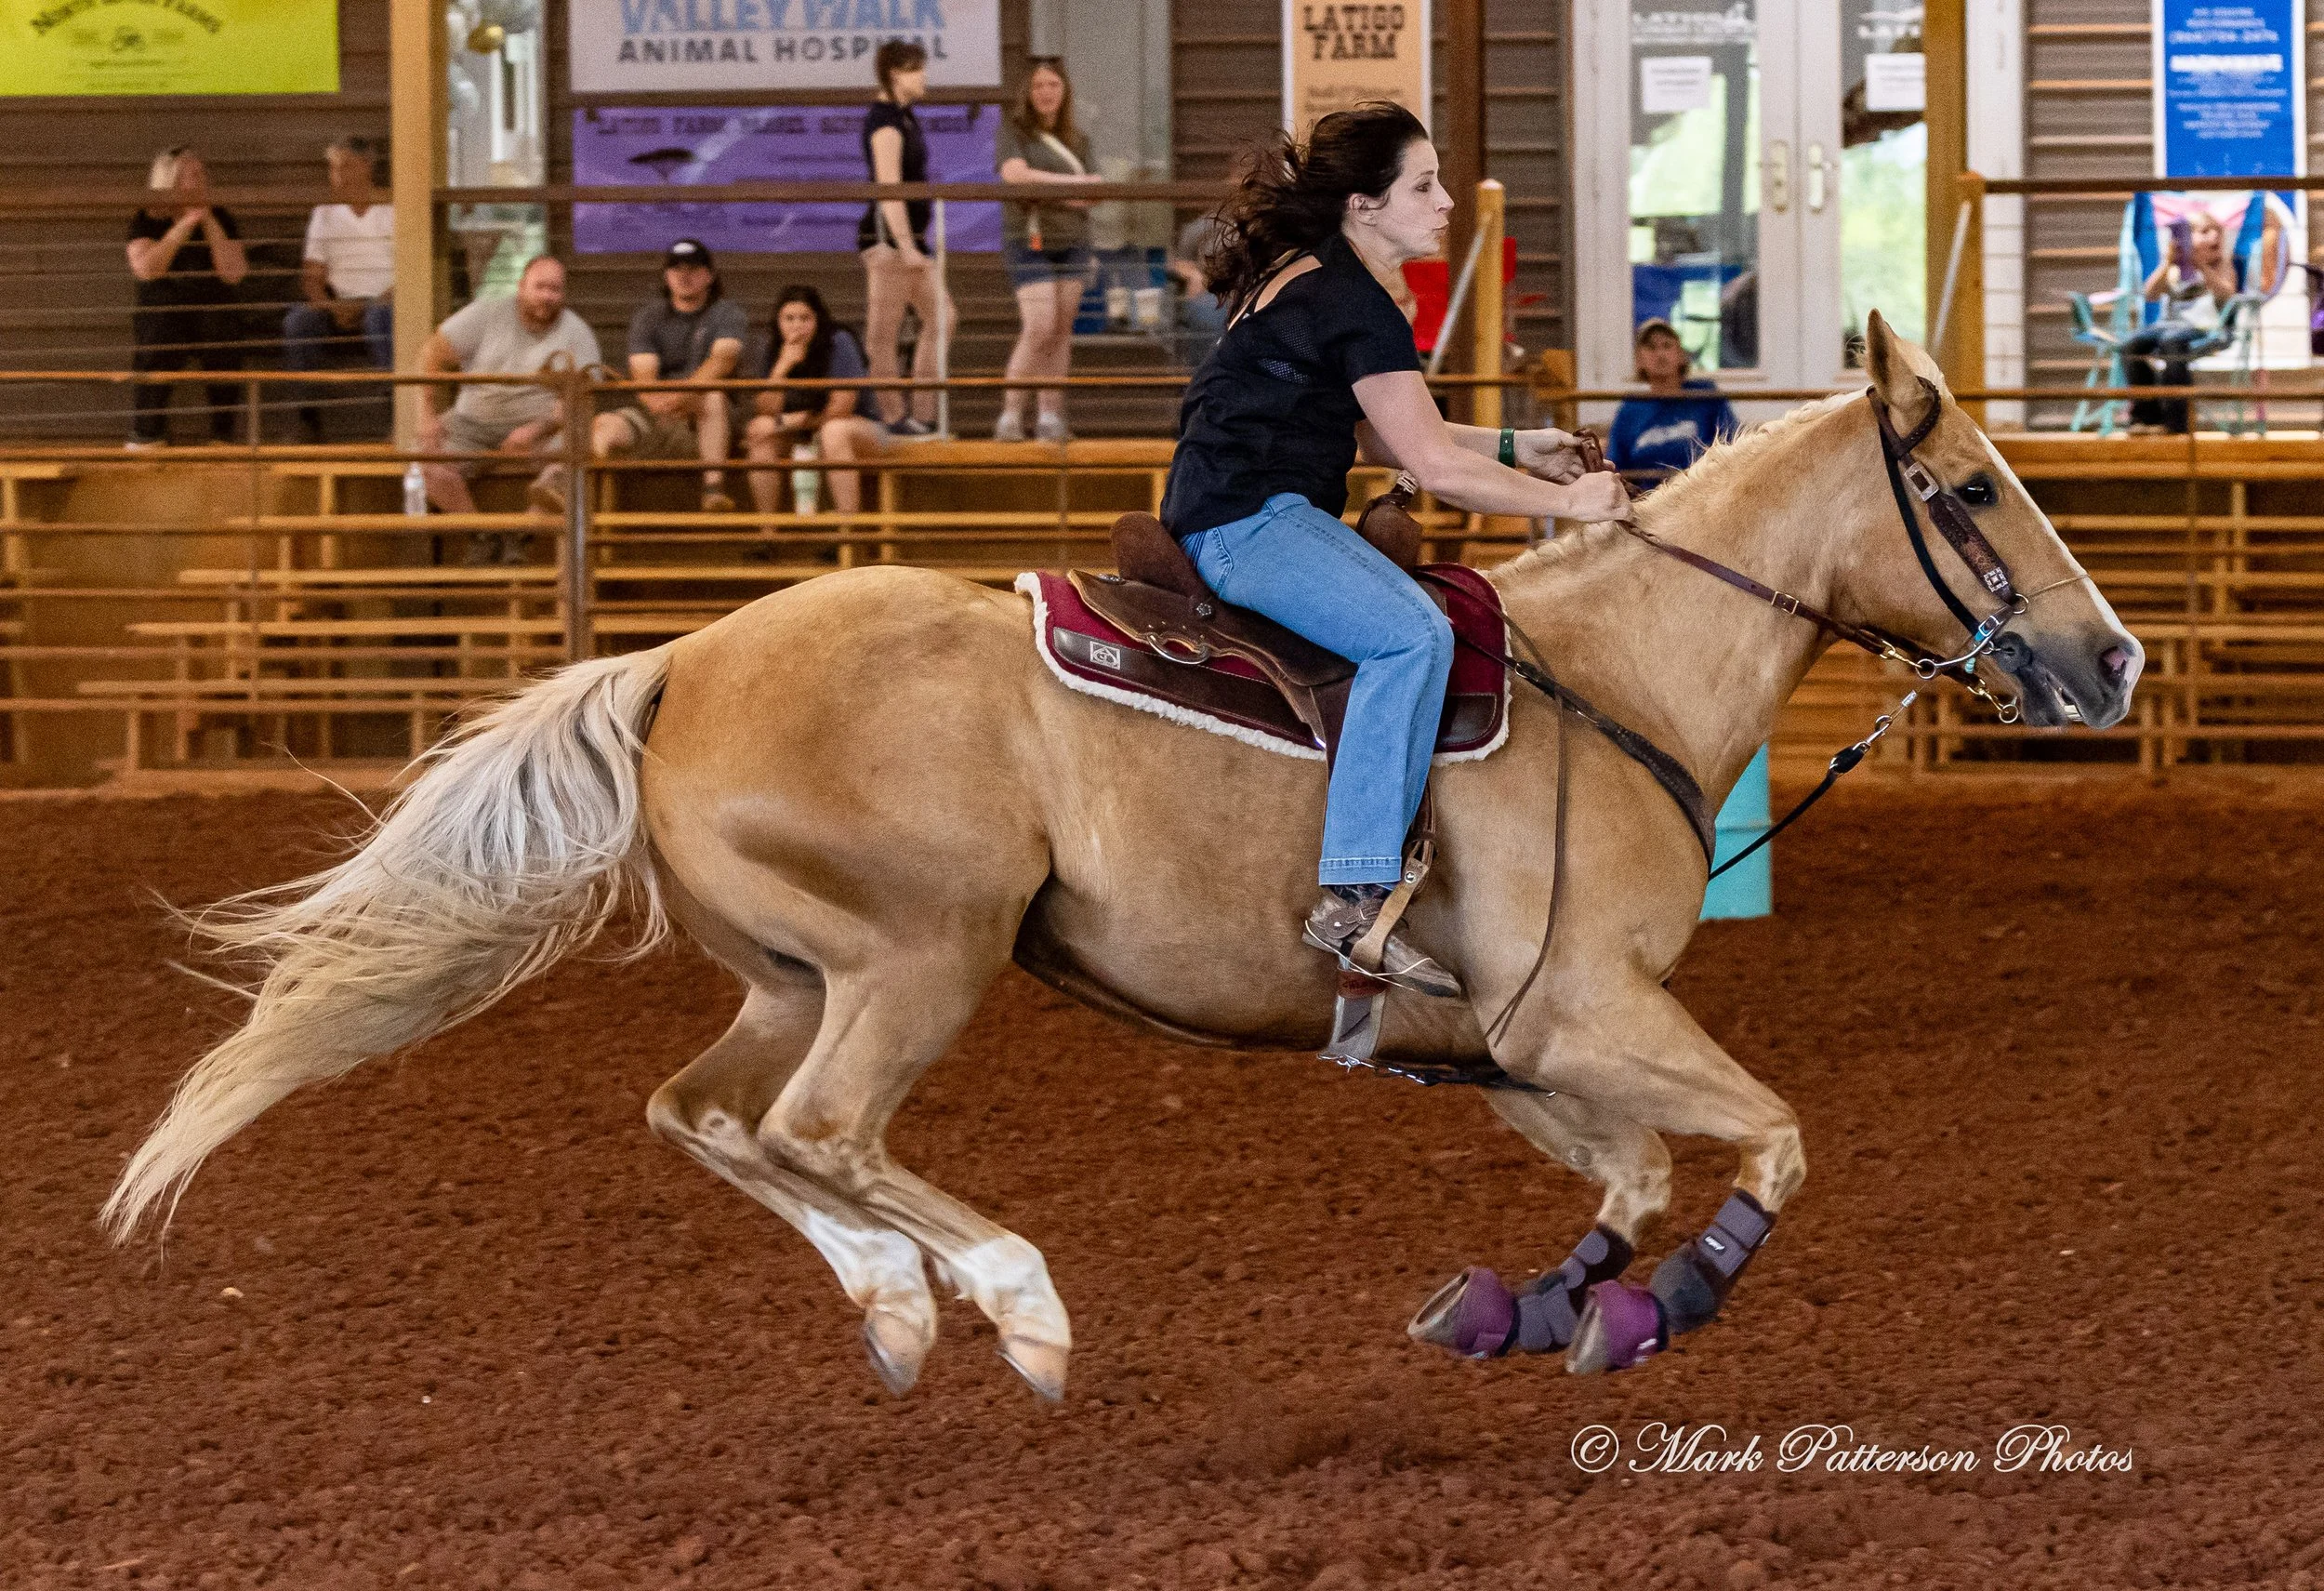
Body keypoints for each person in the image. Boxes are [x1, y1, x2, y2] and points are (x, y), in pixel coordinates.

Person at [1160, 102, 1631, 988]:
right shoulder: (1351, 301)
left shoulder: (1317, 277)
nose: (1446, 201)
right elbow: (1426, 465)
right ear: (1364, 205)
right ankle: (1354, 894)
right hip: (1248, 524)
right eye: (1424, 185)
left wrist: (1513, 445)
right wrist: (1580, 504)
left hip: (1235, 511)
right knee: (1413, 634)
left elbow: (1381, 428)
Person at [413, 256, 602, 563]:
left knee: (576, 461)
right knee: (422, 465)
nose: (547, 297)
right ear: (521, 287)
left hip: (542, 432)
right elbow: (432, 352)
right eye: (540, 287)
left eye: (555, 289)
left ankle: (520, 535)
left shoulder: (576, 332)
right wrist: (426, 413)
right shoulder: (487, 313)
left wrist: (536, 429)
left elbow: (582, 397)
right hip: (471, 423)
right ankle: (482, 534)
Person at [585, 238, 746, 513]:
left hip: (706, 421)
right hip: (656, 414)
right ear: (666, 275)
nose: (684, 275)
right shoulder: (649, 316)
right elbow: (642, 374)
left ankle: (713, 491)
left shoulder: (727, 313)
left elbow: (722, 360)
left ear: (709, 275)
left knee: (713, 396)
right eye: (676, 268)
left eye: (693, 268)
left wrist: (679, 397)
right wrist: (659, 402)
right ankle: (586, 511)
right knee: (603, 425)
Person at [993, 57, 1103, 442]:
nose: (1046, 93)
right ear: (1028, 92)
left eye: (1053, 85)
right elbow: (1014, 176)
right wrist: (1066, 186)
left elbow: (1094, 192)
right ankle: (1010, 416)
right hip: (1028, 241)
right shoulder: (1014, 132)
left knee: (1060, 330)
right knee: (1038, 327)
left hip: (1073, 242)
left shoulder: (1079, 139)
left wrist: (1044, 192)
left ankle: (1050, 417)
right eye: (1038, 86)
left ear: (1064, 90)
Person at [858, 40, 952, 436]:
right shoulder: (885, 122)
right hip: (888, 239)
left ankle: (922, 414)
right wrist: (905, 246)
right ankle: (893, 417)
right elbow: (888, 187)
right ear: (896, 72)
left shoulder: (906, 117)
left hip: (910, 237)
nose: (925, 76)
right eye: (918, 69)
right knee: (884, 329)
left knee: (942, 318)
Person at [125, 146, 247, 447]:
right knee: (160, 328)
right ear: (171, 182)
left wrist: (207, 222)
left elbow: (233, 272)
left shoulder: (220, 218)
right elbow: (147, 269)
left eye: (204, 173)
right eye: (194, 174)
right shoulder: (147, 219)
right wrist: (185, 224)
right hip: (164, 311)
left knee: (222, 327)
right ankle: (147, 432)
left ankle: (222, 435)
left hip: (210, 310)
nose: (203, 179)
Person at [2123, 206, 2278, 434]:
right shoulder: (2174, 268)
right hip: (2167, 327)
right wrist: (2167, 264)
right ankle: (2148, 415)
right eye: (2205, 231)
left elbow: (2227, 295)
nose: (2214, 236)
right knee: (2130, 345)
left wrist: (2202, 267)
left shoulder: (2223, 265)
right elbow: (2150, 294)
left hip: (2207, 328)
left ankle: (2177, 423)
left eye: (2217, 231)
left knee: (2171, 343)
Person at [284, 135, 395, 442]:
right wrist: (330, 306)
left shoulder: (393, 208)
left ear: (367, 166)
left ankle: (396, 413)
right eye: (332, 168)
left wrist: (374, 301)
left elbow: (410, 271)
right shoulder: (325, 214)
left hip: (386, 300)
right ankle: (307, 418)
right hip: (339, 303)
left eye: (344, 166)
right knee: (298, 322)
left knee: (379, 317)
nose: (337, 176)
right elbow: (312, 276)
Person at [741, 285, 878, 527]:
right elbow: (765, 409)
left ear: (818, 319)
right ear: (778, 321)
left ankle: (847, 534)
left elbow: (842, 407)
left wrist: (790, 421)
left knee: (834, 432)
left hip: (861, 429)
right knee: (760, 430)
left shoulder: (839, 342)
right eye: (789, 319)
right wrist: (782, 366)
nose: (796, 326)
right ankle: (767, 534)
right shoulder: (773, 346)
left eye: (805, 318)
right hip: (804, 431)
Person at [1605, 318, 1739, 489]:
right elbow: (1615, 466)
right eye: (1651, 347)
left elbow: (1732, 446)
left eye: (1667, 345)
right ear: (1639, 361)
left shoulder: (1706, 395)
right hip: (1650, 502)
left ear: (1681, 355)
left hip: (1703, 495)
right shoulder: (1630, 408)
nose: (1660, 354)